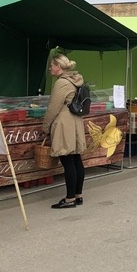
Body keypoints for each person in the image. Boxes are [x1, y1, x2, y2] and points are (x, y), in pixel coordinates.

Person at [42, 54, 88, 209]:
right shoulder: (75, 79)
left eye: (52, 66)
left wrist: (45, 127)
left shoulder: (61, 83)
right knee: (76, 159)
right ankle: (78, 195)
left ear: (58, 67)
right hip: (75, 120)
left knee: (67, 160)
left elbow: (53, 108)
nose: (50, 68)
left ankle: (69, 199)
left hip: (64, 122)